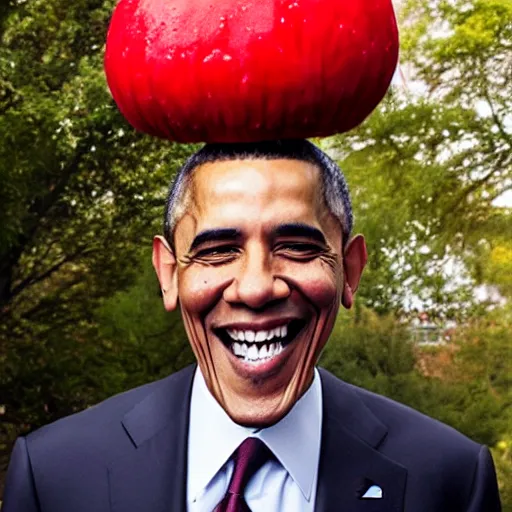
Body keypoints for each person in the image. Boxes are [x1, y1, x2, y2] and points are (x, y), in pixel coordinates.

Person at [3, 140, 501, 511]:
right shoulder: (55, 476)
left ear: (349, 270)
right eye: (218, 251)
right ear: (170, 273)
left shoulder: (449, 480)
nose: (256, 288)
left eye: (298, 247)